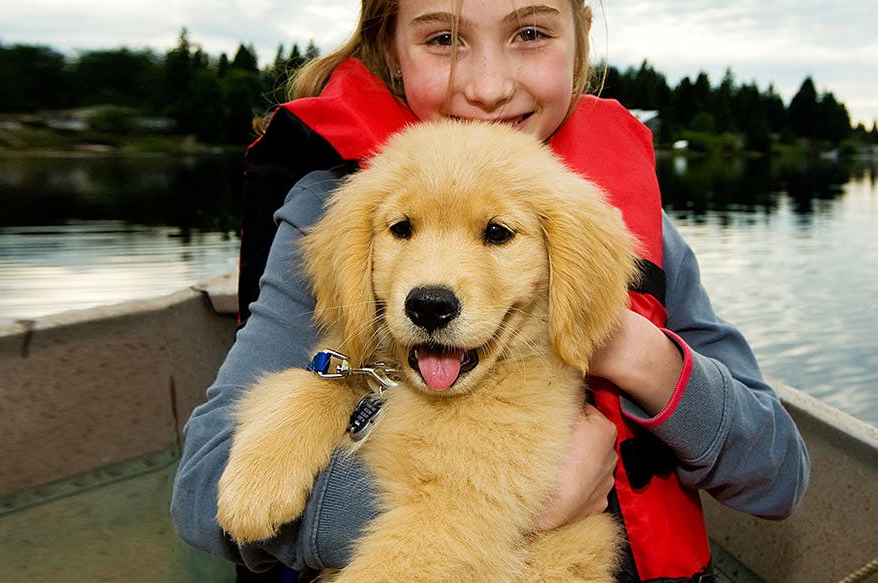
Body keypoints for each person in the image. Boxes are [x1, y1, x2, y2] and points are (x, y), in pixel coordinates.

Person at [170, 0, 810, 581]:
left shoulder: (640, 233)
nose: (487, 88)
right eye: (444, 39)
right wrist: (514, 500)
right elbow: (206, 492)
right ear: (392, 50)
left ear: (580, 39)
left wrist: (637, 352)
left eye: (529, 34)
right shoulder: (334, 208)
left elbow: (777, 478)